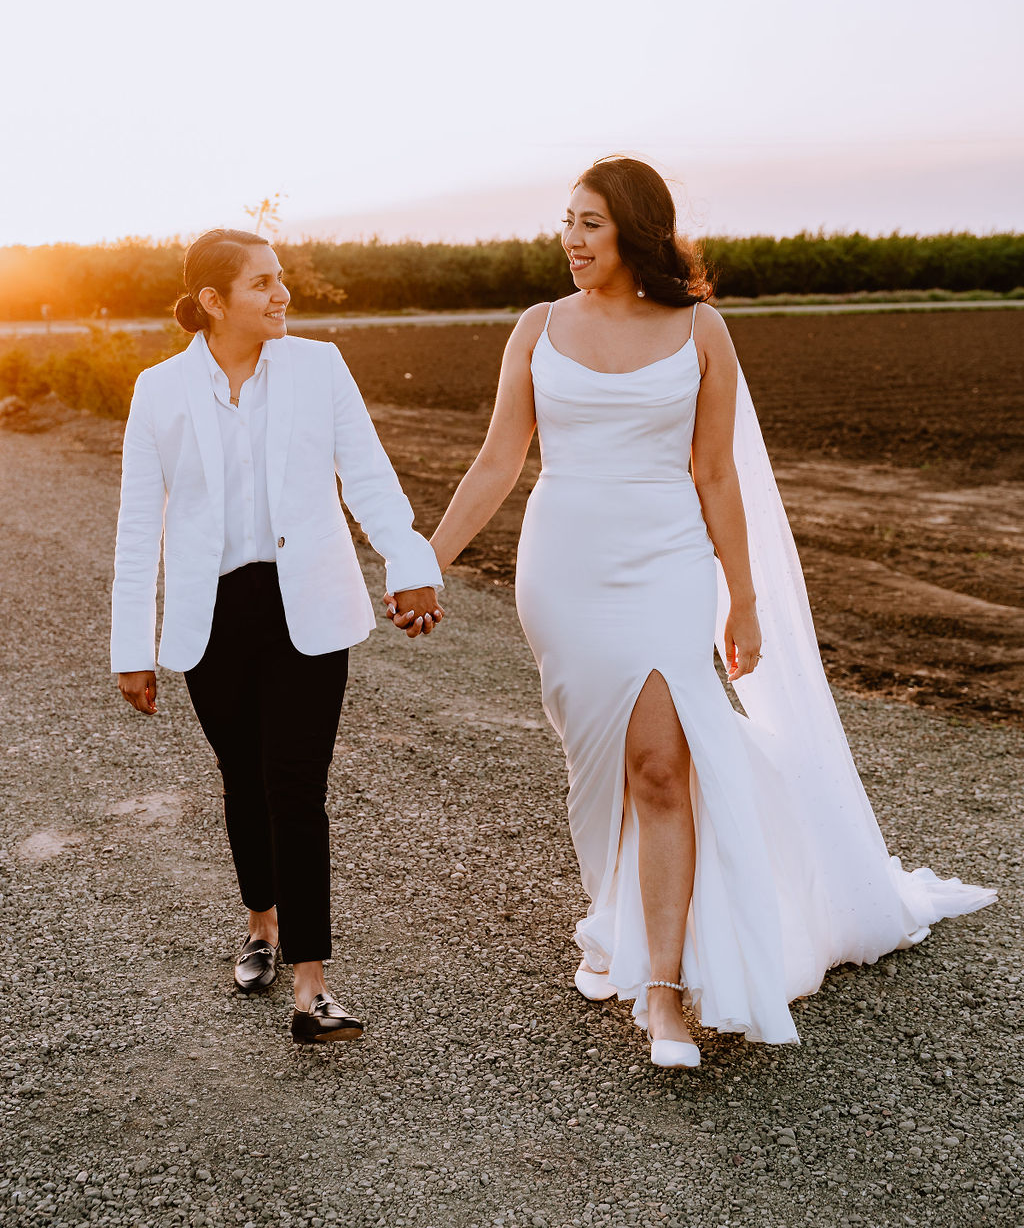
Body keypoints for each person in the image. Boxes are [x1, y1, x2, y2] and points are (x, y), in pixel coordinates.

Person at [392, 156, 995, 1069]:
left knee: (664, 766)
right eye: (566, 221)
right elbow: (496, 461)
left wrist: (741, 598)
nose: (570, 239)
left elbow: (717, 474)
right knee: (601, 765)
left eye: (589, 222)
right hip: (564, 569)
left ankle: (665, 994)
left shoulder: (701, 331)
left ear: (635, 230)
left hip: (670, 563)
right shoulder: (536, 328)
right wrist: (424, 562)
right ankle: (622, 917)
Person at [111, 228, 443, 1045]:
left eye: (281, 278)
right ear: (215, 301)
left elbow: (367, 474)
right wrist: (132, 647)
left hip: (308, 606)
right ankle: (260, 921)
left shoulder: (319, 367)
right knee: (242, 778)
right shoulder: (158, 391)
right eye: (263, 284)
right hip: (212, 615)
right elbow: (135, 527)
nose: (282, 294)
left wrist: (409, 560)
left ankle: (312, 986)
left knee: (297, 785)